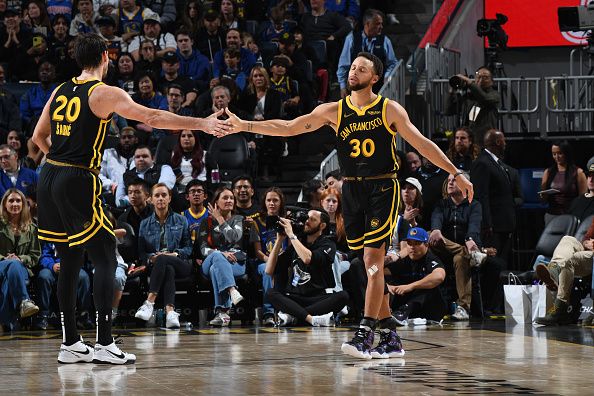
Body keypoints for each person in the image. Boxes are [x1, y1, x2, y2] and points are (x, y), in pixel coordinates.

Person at [225, 51, 473, 359]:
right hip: (353, 193)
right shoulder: (335, 110)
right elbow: (289, 127)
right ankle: (390, 337)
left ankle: (365, 332)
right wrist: (244, 125)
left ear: (375, 77)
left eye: (362, 68)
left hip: (382, 187)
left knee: (372, 261)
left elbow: (422, 143)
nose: (354, 71)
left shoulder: (388, 109)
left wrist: (455, 171)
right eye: (352, 67)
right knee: (369, 267)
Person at [31, 33, 229, 365]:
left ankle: (70, 343)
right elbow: (151, 117)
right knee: (107, 255)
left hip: (49, 175)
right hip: (77, 177)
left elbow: (38, 138)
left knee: (70, 258)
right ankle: (105, 342)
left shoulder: (59, 90)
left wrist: (61, 164)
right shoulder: (104, 92)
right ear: (105, 58)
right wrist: (201, 123)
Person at [265, 208, 349, 327]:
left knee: (343, 296)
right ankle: (310, 319)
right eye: (306, 218)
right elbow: (269, 270)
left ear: (322, 225)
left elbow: (307, 258)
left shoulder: (328, 244)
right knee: (270, 293)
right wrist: (279, 240)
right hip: (295, 298)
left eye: (312, 219)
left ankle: (294, 315)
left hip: (318, 298)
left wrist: (291, 235)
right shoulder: (298, 243)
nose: (307, 222)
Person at [134, 183, 193, 329]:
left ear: (170, 198)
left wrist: (175, 253)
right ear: (151, 200)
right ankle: (170, 312)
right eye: (157, 195)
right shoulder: (144, 224)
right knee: (167, 267)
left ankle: (149, 302)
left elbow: (188, 248)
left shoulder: (181, 220)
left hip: (180, 262)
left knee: (166, 261)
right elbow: (141, 252)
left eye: (164, 195)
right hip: (156, 266)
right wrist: (151, 257)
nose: (160, 198)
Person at [429, 172, 484, 321]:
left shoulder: (474, 205)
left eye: (455, 180)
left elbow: (474, 226)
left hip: (465, 249)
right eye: (449, 180)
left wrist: (469, 238)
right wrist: (436, 229)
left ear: (465, 184)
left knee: (461, 259)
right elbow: (436, 218)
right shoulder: (442, 204)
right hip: (445, 247)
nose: (450, 183)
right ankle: (467, 253)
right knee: (428, 234)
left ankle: (463, 308)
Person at [198, 186, 246, 327]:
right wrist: (221, 254)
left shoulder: (238, 219)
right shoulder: (205, 222)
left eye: (231, 198)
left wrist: (219, 219)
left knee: (215, 269)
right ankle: (232, 290)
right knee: (218, 257)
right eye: (225, 198)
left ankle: (222, 313)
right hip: (211, 260)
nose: (229, 200)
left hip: (236, 262)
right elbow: (203, 249)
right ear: (216, 202)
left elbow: (233, 238)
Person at [535, 215, 594, 326]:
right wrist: (587, 243)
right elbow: (586, 238)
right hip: (588, 251)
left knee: (568, 261)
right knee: (568, 239)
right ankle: (554, 271)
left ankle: (559, 308)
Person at [385, 227, 447, 326]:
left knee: (428, 285)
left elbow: (439, 276)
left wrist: (410, 286)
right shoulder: (402, 261)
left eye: (417, 243)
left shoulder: (430, 258)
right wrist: (386, 286)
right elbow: (377, 272)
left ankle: (403, 312)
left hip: (430, 308)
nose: (412, 247)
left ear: (426, 245)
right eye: (409, 243)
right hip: (405, 303)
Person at [470, 129, 515, 265]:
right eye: (503, 141)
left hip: (503, 224)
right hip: (493, 226)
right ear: (498, 142)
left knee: (501, 262)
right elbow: (481, 195)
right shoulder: (482, 163)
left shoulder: (496, 163)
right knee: (493, 263)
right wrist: (487, 223)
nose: (505, 144)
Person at [0, 188, 40, 330]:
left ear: (23, 204)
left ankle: (6, 320)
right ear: (5, 204)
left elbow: (35, 255)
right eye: (11, 200)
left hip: (23, 268)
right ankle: (23, 301)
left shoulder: (32, 228)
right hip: (0, 265)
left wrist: (20, 258)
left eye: (18, 200)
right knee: (11, 266)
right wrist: (6, 258)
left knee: (12, 272)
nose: (15, 204)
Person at [337, 8, 397, 96]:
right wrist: (342, 86)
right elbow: (343, 64)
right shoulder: (351, 38)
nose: (381, 27)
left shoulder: (385, 40)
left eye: (381, 24)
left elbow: (392, 63)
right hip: (355, 89)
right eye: (377, 24)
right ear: (368, 24)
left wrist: (387, 76)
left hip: (378, 90)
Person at [250, 187, 287, 326]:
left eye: (275, 200)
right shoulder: (256, 222)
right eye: (269, 200)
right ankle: (268, 313)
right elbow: (258, 252)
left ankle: (286, 310)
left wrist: (280, 261)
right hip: (263, 261)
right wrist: (271, 261)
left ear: (281, 202)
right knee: (268, 271)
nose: (272, 203)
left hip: (283, 260)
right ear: (264, 203)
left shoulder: (286, 220)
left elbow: (289, 246)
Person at [444, 66, 501, 146]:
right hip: (469, 142)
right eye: (478, 77)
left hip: (486, 141)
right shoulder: (469, 97)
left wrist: (470, 83)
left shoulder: (494, 95)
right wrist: (452, 91)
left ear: (492, 81)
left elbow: (484, 98)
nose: (481, 80)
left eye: (485, 77)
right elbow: (448, 111)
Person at [540, 141, 587, 225]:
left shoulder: (578, 172)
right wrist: (543, 195)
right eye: (554, 154)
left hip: (571, 216)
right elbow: (543, 199)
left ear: (567, 153)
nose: (556, 157)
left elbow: (583, 199)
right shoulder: (548, 172)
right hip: (552, 215)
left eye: (560, 153)